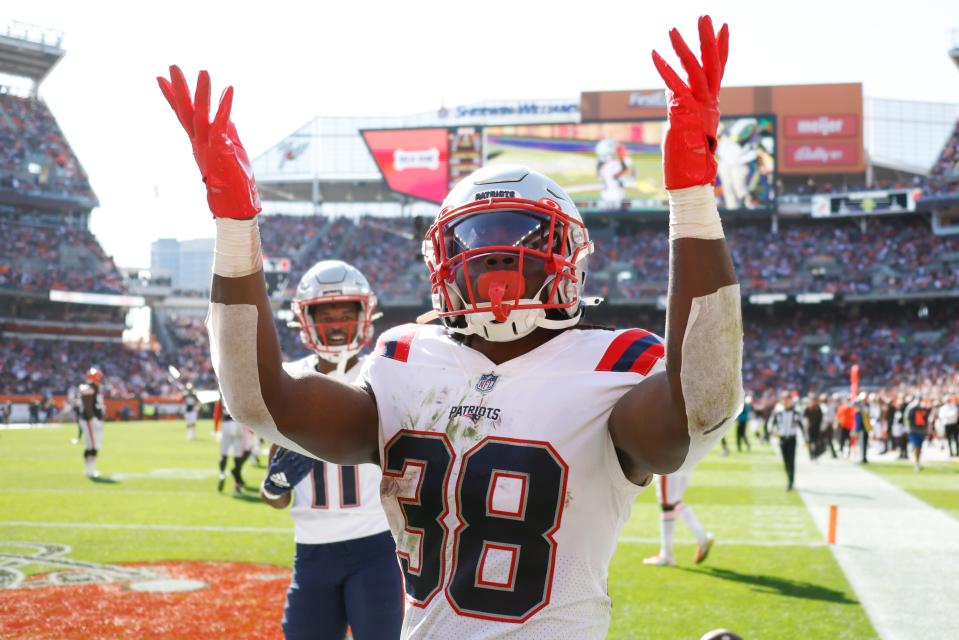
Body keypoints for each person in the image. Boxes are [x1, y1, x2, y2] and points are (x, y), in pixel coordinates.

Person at [158, 17, 743, 637]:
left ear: (568, 257)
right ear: (442, 263)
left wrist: (691, 194)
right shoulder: (407, 358)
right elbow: (258, 401)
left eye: (520, 240)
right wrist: (234, 222)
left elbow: (700, 406)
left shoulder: (612, 363)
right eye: (475, 244)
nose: (495, 260)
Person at [260, 260, 403, 640]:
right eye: (325, 315)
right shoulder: (288, 380)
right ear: (305, 319)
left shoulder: (385, 372)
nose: (337, 324)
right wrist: (275, 485)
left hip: (377, 548)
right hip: (311, 551)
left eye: (345, 313)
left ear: (365, 315)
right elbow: (273, 497)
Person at [643, 472, 714, 567]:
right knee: (675, 501)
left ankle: (666, 556)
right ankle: (702, 537)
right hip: (686, 462)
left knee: (667, 506)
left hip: (668, 463)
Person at [213, 400, 249, 493]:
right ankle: (237, 482)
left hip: (226, 424)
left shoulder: (221, 394)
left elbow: (217, 413)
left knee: (223, 454)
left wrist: (216, 429)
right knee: (237, 456)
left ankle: (222, 474)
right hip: (238, 424)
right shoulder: (238, 392)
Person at [770, 394, 804, 491]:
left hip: (792, 439)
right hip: (782, 439)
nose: (785, 402)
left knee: (791, 461)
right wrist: (772, 432)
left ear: (791, 401)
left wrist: (807, 440)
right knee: (785, 461)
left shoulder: (796, 413)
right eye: (784, 400)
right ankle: (789, 478)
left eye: (787, 400)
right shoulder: (779, 413)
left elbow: (802, 426)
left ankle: (791, 481)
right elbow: (771, 424)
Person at [78, 367, 106, 478]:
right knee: (92, 445)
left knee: (93, 445)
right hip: (90, 420)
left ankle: (90, 469)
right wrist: (93, 419)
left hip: (94, 420)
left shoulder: (95, 388)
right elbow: (87, 407)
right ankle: (90, 470)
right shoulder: (89, 388)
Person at [906, 397, 932, 471]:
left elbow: (927, 419)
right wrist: (909, 429)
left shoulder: (924, 409)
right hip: (914, 430)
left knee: (919, 447)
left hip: (921, 431)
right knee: (917, 447)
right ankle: (916, 463)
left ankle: (917, 462)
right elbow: (908, 419)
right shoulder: (912, 408)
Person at [803, 395, 822, 460]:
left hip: (816, 428)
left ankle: (815, 454)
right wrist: (806, 424)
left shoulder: (818, 408)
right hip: (809, 428)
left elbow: (820, 418)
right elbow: (804, 417)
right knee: (810, 442)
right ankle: (811, 454)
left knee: (816, 442)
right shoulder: (808, 408)